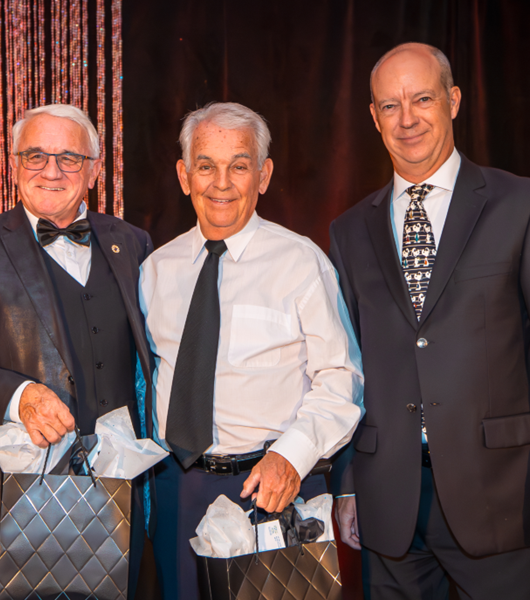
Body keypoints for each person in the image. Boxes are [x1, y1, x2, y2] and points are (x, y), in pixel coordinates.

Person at [329, 42, 530, 598]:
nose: (407, 119)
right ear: (374, 117)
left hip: (503, 493)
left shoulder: (523, 204)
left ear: (454, 100)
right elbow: (345, 367)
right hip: (389, 503)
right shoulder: (349, 230)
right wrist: (346, 484)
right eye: (390, 105)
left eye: (422, 98)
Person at [140, 101, 363, 599]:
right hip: (177, 490)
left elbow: (341, 379)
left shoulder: (302, 262)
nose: (221, 183)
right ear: (183, 176)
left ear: (263, 176)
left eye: (239, 166)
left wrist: (291, 457)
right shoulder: (154, 270)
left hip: (275, 487)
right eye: (205, 166)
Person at [0, 103, 154, 600]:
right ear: (14, 163)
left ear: (94, 169)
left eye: (69, 158)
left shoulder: (134, 243)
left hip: (117, 489)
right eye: (36, 156)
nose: (51, 171)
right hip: (12, 496)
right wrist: (20, 397)